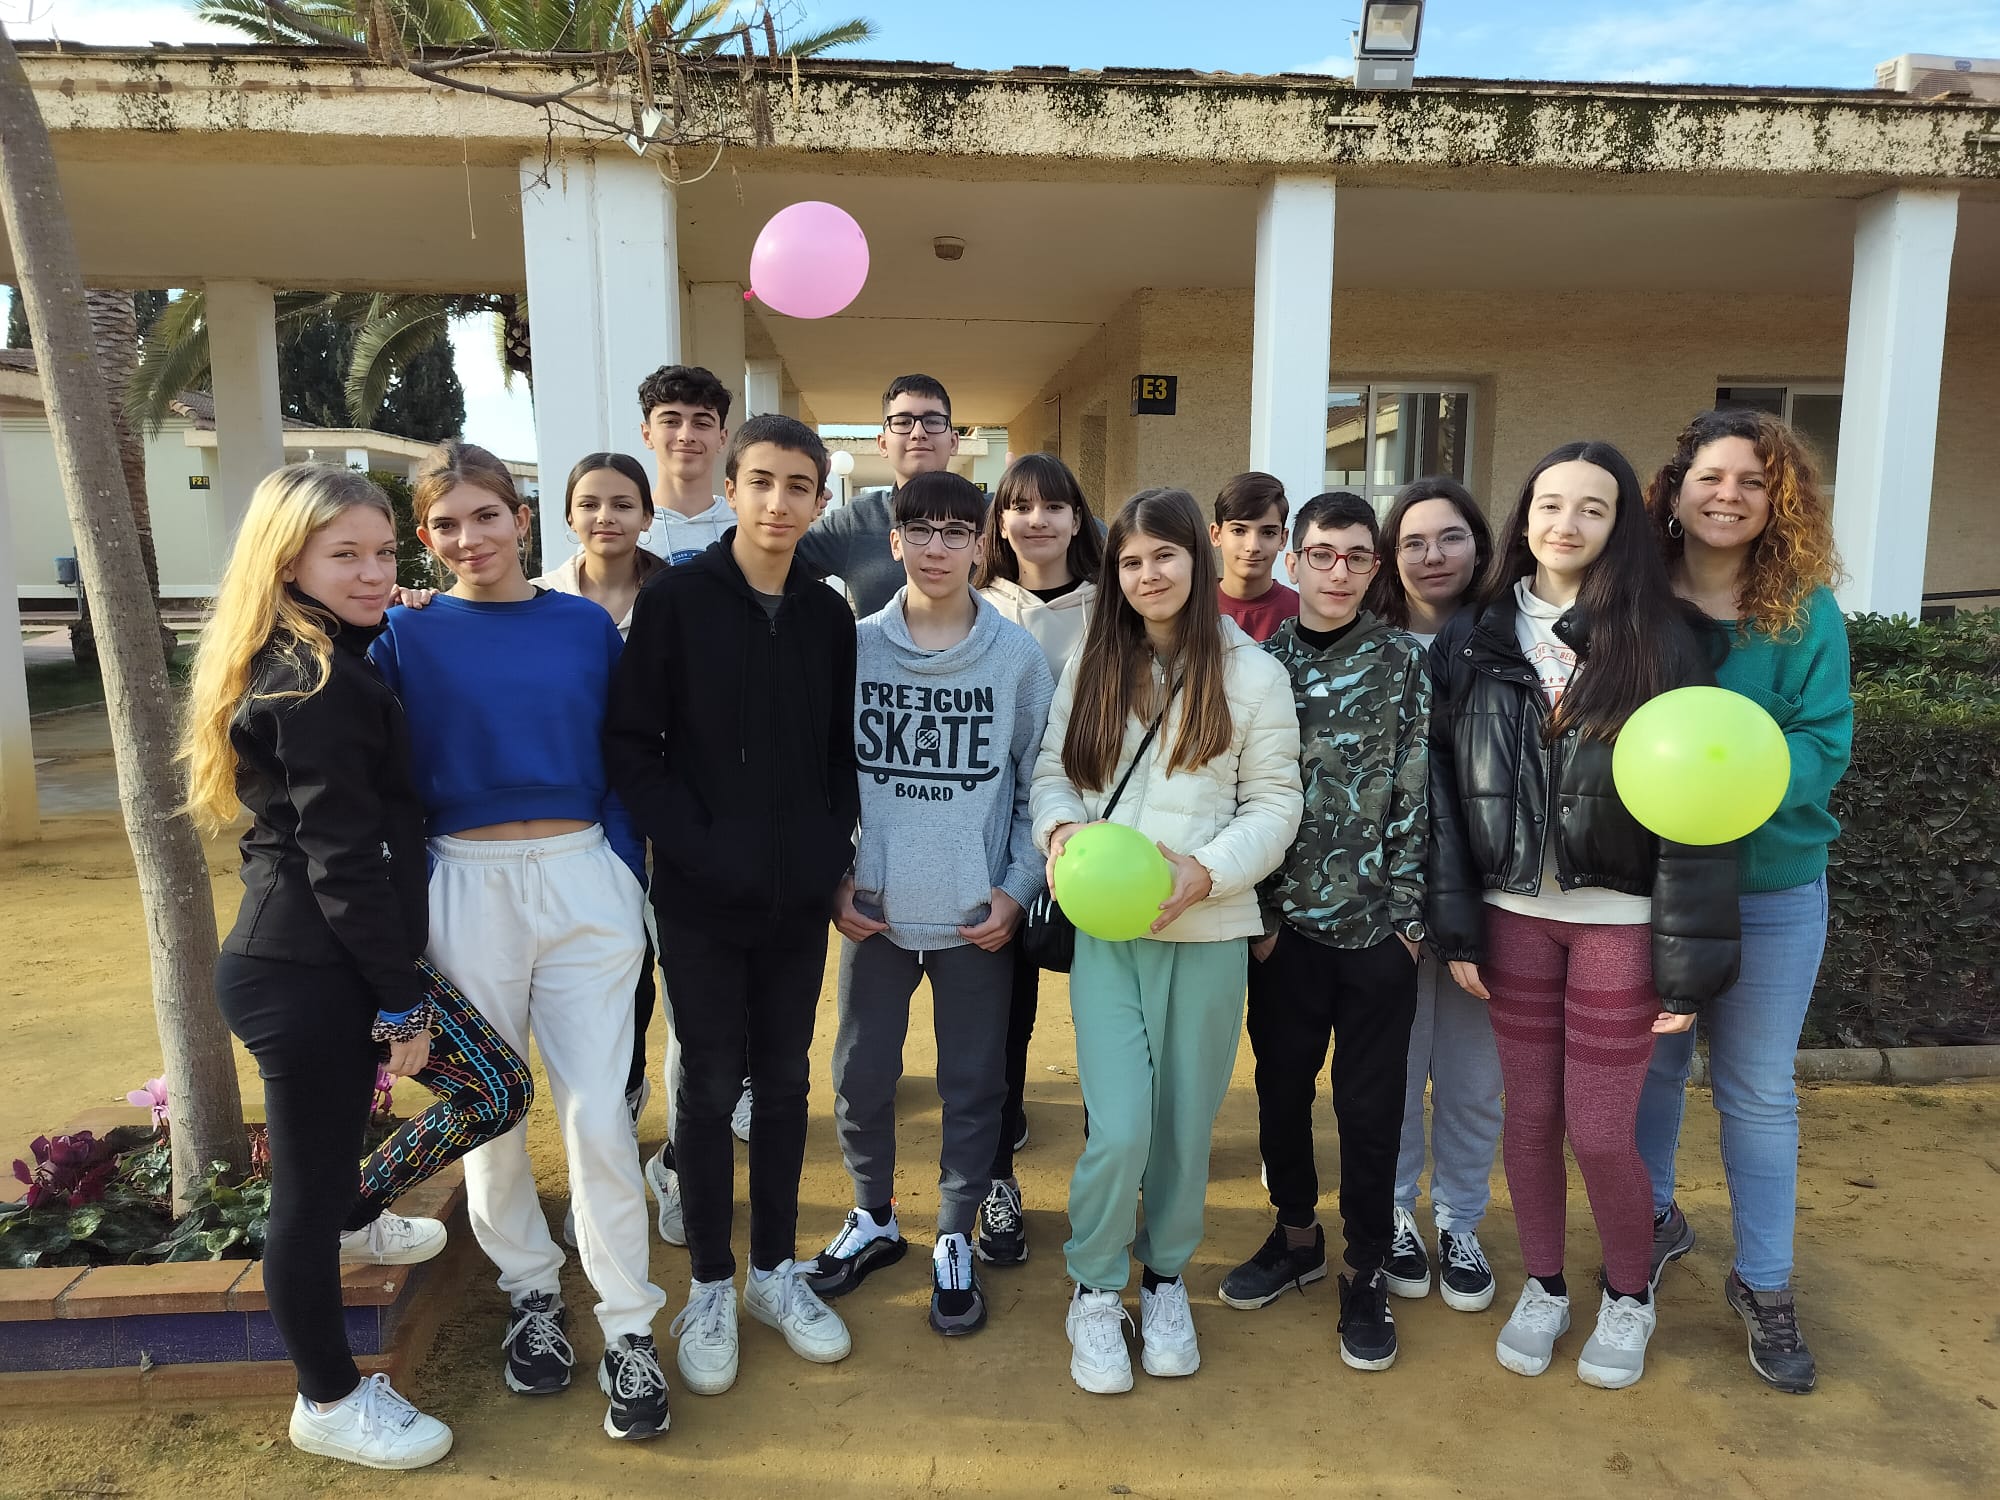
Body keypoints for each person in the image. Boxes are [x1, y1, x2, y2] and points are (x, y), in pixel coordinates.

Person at [183, 464, 533, 1470]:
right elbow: (340, 859)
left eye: (384, 552)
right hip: (310, 972)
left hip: (323, 954)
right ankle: (329, 1400)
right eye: (346, 555)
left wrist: (392, 610)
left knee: (491, 1090)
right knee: (306, 1198)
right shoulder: (317, 682)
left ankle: (357, 1210)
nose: (376, 572)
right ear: (287, 561)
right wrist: (398, 1005)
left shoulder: (320, 653)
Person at [1426, 441, 1740, 1392]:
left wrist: (1686, 965)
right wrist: (1458, 924)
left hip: (1622, 921)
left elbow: (1701, 801)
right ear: (1523, 517)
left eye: (1592, 508)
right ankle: (1546, 1286)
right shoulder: (1472, 635)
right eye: (1550, 504)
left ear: (1620, 527)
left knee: (1602, 1133)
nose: (1566, 523)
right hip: (1511, 916)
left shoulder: (1664, 638)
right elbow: (1443, 793)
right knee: (1529, 1118)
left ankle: (1630, 1295)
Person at [371, 443, 669, 1441]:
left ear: (521, 518)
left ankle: (628, 1324)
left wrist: (620, 867)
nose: (471, 538)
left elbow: (623, 751)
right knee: (489, 1110)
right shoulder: (404, 633)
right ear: (426, 537)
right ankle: (532, 1294)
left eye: (487, 516)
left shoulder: (583, 624)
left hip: (585, 879)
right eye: (447, 525)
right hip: (463, 884)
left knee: (598, 1113)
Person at [606, 413, 861, 1398]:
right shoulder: (676, 600)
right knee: (708, 1088)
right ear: (731, 487)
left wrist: (828, 847)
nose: (778, 502)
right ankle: (710, 1282)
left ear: (819, 500)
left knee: (786, 1086)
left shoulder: (826, 615)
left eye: (798, 486)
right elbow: (634, 748)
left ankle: (772, 1274)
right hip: (701, 898)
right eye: (761, 481)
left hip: (796, 900)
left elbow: (836, 751)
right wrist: (701, 848)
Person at [1032, 487, 1303, 1395]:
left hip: (1209, 930)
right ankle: (1094, 1284)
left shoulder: (1254, 673)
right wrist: (1061, 834)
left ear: (1198, 557)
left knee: (1185, 1127)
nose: (1148, 574)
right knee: (1120, 1128)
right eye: (1131, 561)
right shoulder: (1093, 661)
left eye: (1164, 556)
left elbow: (1276, 803)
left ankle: (1165, 1277)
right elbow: (1052, 773)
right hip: (1108, 934)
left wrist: (1209, 872)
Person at [1635, 407, 1851, 1395]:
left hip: (1771, 886)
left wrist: (1730, 789)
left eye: (1753, 482)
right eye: (1711, 478)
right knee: (1652, 1070)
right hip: (1650, 886)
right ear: (1676, 490)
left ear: (1778, 502)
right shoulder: (1633, 596)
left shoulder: (1804, 611)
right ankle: (1650, 1220)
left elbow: (1823, 741)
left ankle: (1763, 1281)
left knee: (1756, 1091)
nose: (1729, 496)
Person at [809, 471, 1055, 1336]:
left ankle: (954, 1231)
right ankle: (874, 1215)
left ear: (982, 544)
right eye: (921, 531)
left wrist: (1016, 889)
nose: (938, 548)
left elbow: (1041, 785)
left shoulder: (1017, 658)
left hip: (973, 919)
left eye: (957, 532)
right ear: (894, 542)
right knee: (860, 1076)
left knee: (973, 1082)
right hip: (874, 912)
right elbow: (819, 779)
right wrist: (835, 878)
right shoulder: (852, 648)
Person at [1219, 491, 1429, 1374]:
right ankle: (1297, 1235)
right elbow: (1242, 793)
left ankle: (1365, 1265)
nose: (1338, 572)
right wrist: (1264, 918)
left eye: (1356, 556)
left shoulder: (1404, 663)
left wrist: (1408, 921)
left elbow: (1420, 790)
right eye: (1321, 554)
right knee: (1281, 1090)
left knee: (1371, 1109)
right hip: (1286, 932)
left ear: (1376, 568)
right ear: (1292, 562)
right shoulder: (1259, 666)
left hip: (1379, 935)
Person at [1367, 477, 1504, 1313]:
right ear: (1391, 556)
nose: (1432, 556)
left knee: (1473, 1076)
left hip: (1486, 897)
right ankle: (1392, 1213)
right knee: (1394, 1065)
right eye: (1413, 542)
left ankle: (1460, 1220)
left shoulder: (1509, 640)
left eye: (1450, 537)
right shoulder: (1367, 642)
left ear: (1480, 545)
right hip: (1385, 902)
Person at [970, 452, 1105, 1265]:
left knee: (1105, 1027)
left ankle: (1108, 1182)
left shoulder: (1113, 606)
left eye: (1054, 506)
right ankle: (996, 1182)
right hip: (1001, 851)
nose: (1037, 520)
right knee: (1002, 1026)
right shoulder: (975, 604)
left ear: (1077, 519)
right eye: (1020, 505)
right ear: (1002, 519)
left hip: (1099, 845)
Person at [797, 373, 960, 617]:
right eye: (903, 422)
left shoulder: (993, 516)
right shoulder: (856, 520)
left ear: (954, 441)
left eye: (933, 421)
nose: (918, 432)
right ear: (883, 444)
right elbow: (768, 567)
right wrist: (796, 506)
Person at [638, 363, 735, 564]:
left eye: (702, 424)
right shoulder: (623, 527)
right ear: (647, 435)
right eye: (671, 422)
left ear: (722, 438)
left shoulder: (746, 528)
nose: (686, 436)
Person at [1211, 472, 1298, 643]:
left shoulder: (1304, 616)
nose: (1253, 547)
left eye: (1268, 533)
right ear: (1216, 535)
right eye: (1239, 531)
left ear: (1283, 539)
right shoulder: (1189, 610)